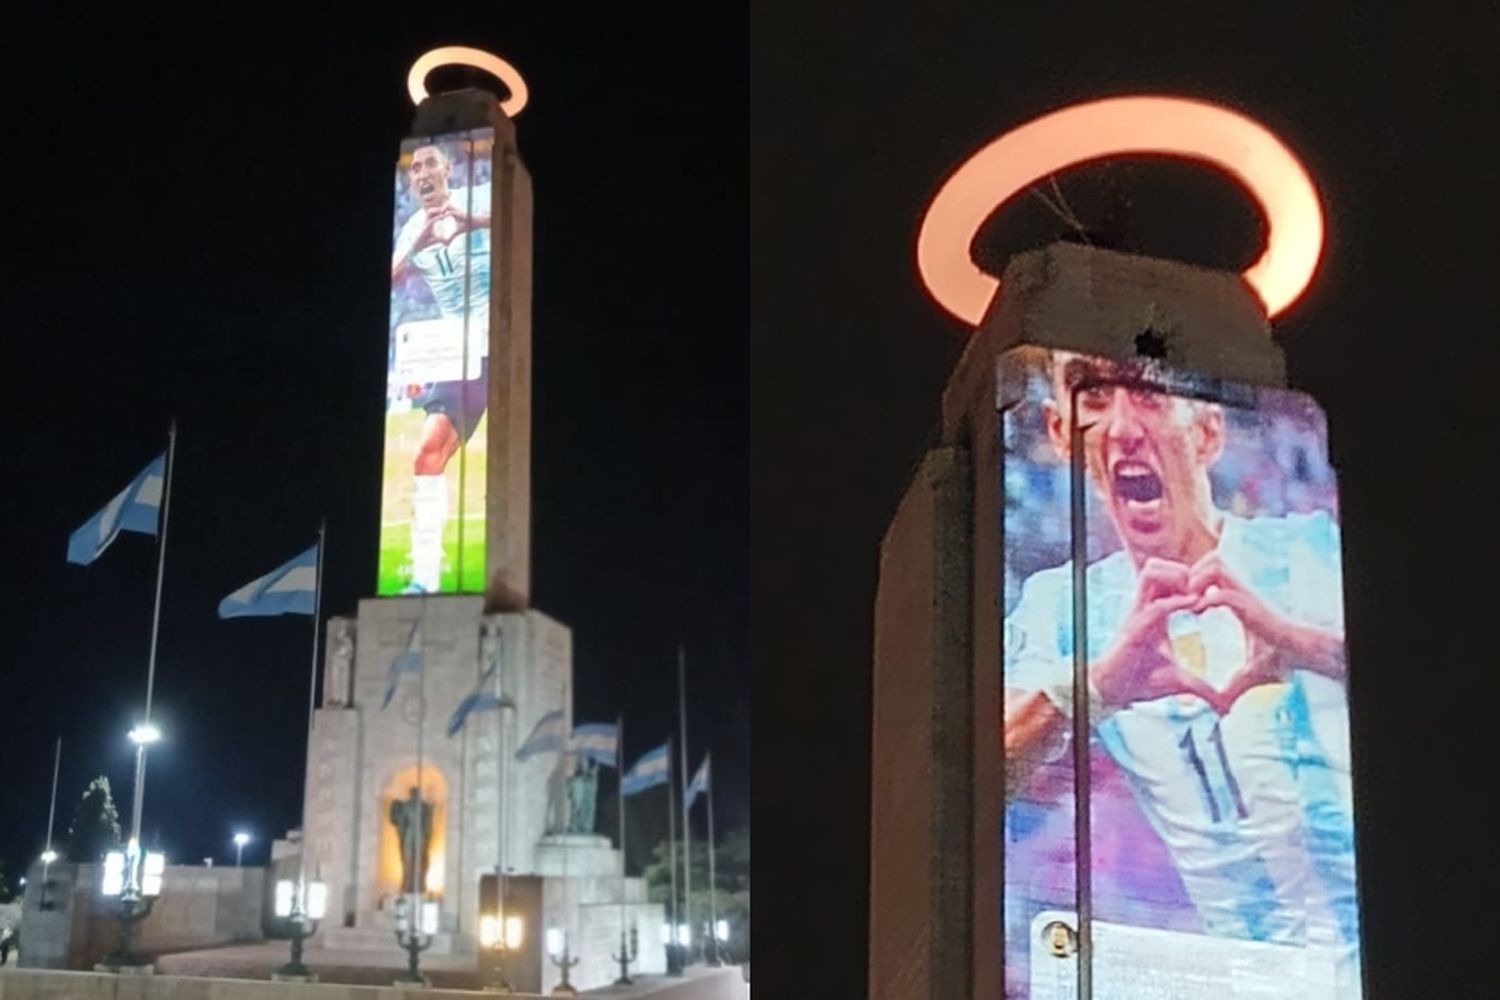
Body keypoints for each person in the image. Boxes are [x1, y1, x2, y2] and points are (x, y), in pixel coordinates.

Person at [1004, 352, 1358, 971]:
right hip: (1245, 978)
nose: (1121, 428)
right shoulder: (1063, 608)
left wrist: (1303, 644)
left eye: (1148, 395)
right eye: (1092, 396)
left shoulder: (1310, 549)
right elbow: (980, 775)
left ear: (1207, 433)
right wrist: (1095, 688)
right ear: (1061, 433)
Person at [390, 141, 493, 593]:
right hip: (459, 349)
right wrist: (415, 246)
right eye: (416, 168)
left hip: (504, 340)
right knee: (427, 454)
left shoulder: (483, 198)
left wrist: (472, 223)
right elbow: (389, 280)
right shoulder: (411, 227)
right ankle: (426, 577)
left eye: (431, 162)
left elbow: (519, 229)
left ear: (448, 169)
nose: (423, 172)